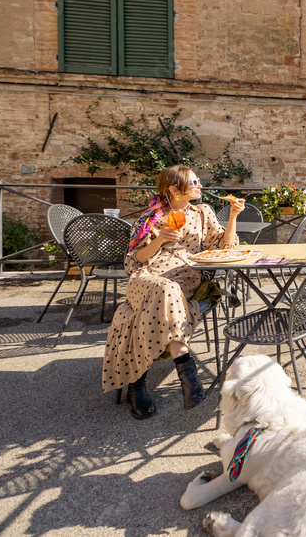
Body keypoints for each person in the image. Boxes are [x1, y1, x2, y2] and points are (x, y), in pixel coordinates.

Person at [101, 165, 245, 420]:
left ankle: (137, 387)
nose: (200, 185)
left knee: (141, 310)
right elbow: (133, 264)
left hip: (185, 277)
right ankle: (185, 366)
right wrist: (158, 240)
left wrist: (233, 215)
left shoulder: (203, 212)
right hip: (145, 279)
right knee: (164, 288)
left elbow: (225, 246)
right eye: (194, 182)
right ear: (174, 189)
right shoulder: (151, 218)